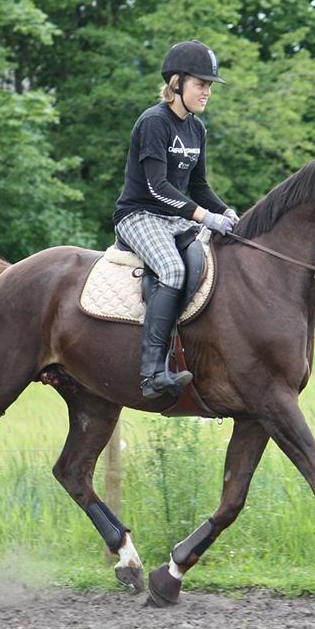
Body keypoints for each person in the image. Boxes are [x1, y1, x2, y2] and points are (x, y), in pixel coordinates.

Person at [113, 40, 238, 399]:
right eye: (201, 84)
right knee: (173, 270)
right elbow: (157, 187)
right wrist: (204, 216)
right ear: (177, 83)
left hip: (175, 220)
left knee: (212, 260)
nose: (208, 91)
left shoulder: (196, 129)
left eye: (210, 85)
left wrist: (227, 212)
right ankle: (153, 372)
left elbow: (198, 185)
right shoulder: (154, 122)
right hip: (139, 215)